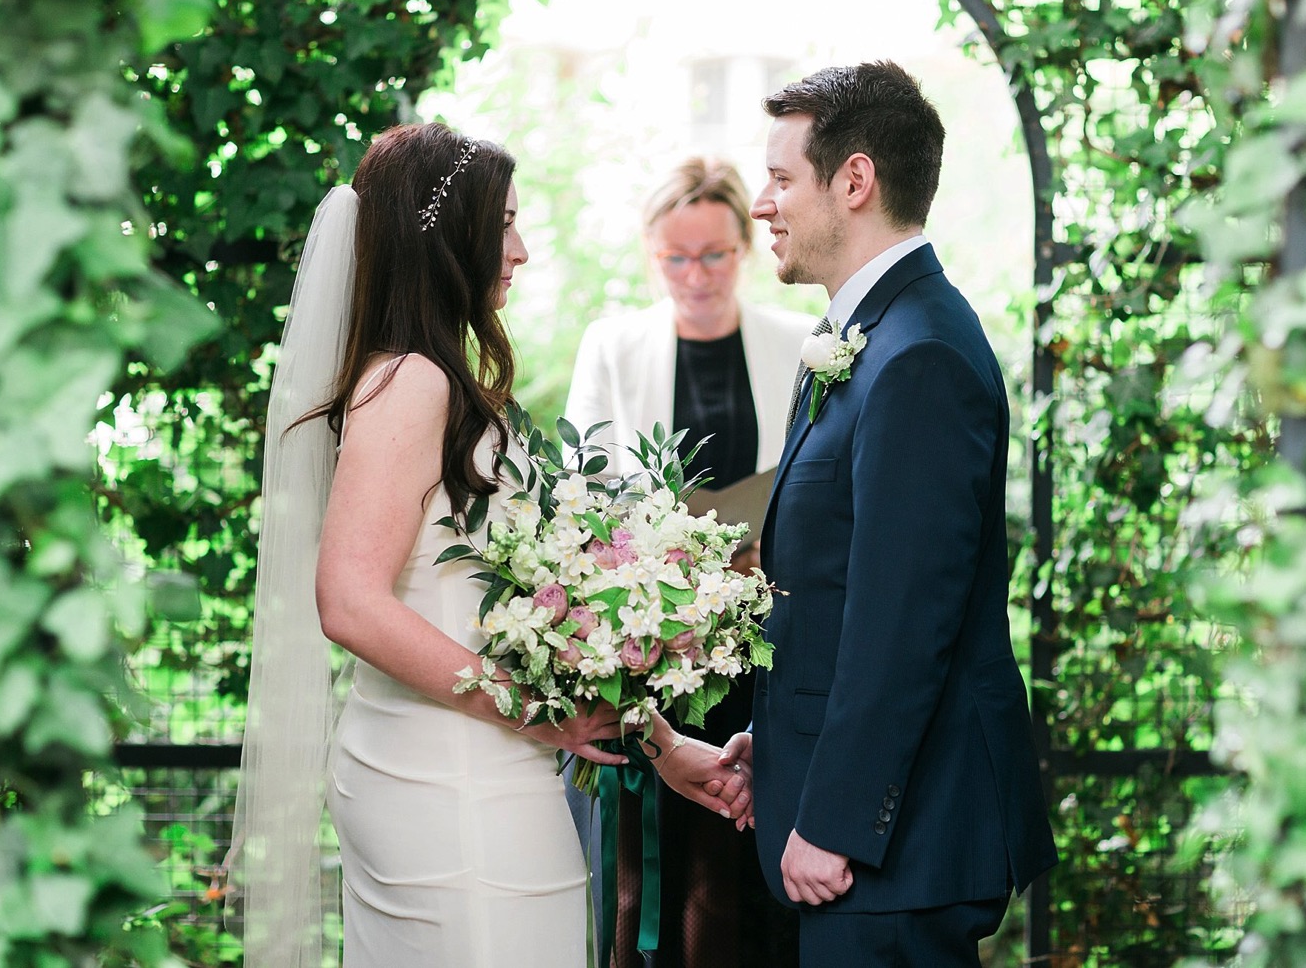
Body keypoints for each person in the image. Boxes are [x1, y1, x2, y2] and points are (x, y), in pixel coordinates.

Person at [234, 122, 751, 968]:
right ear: (451, 236)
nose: (520, 248)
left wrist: (661, 746)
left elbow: (515, 621)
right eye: (503, 223)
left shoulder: (431, 375)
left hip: (470, 762)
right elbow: (349, 600)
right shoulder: (412, 380)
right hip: (443, 780)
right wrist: (534, 714)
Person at [718, 62, 1059, 967]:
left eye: (782, 177)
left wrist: (835, 817)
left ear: (855, 181)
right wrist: (784, 742)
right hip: (872, 827)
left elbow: (904, 621)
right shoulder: (869, 337)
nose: (761, 204)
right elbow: (832, 588)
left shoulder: (919, 357)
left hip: (900, 845)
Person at [564, 158, 814, 968]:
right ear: (651, 254)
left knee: (753, 878)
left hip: (766, 645)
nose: (696, 275)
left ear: (745, 246)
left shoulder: (801, 344)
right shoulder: (613, 345)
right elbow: (584, 499)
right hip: (657, 650)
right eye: (676, 257)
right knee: (665, 884)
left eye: (714, 255)